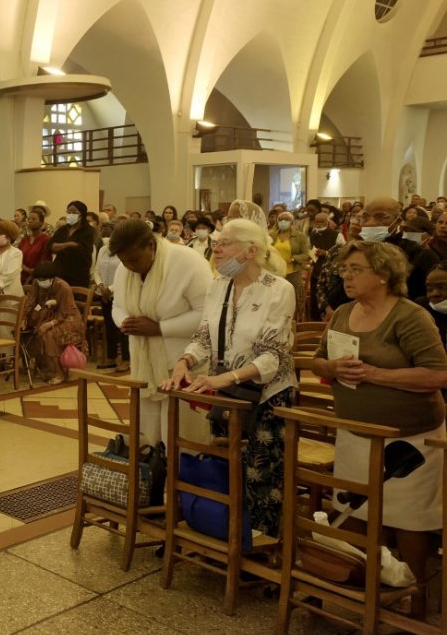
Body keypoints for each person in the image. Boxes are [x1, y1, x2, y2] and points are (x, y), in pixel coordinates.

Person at [311, 241, 447, 594]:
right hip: (355, 434)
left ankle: (414, 596)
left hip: (408, 441)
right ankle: (361, 588)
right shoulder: (343, 312)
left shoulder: (410, 316)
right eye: (346, 269)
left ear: (385, 275)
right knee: (354, 512)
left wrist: (373, 375)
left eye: (357, 269)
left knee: (408, 520)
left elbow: (437, 375)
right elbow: (318, 361)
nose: (347, 276)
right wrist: (332, 367)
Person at [163, 218, 297, 536]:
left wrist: (228, 378)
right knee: (226, 467)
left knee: (261, 476)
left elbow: (274, 355)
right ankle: (229, 536)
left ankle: (263, 549)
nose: (216, 248)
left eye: (225, 243)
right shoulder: (218, 286)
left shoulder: (278, 290)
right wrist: (184, 361)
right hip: (227, 394)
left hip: (267, 397)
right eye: (217, 242)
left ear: (251, 251)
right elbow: (205, 337)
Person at [111, 219, 212, 445]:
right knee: (148, 429)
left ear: (151, 245)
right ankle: (152, 472)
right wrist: (125, 322)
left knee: (180, 432)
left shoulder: (188, 262)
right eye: (123, 261)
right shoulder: (125, 267)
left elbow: (207, 313)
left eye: (134, 259)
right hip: (144, 360)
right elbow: (117, 305)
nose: (129, 266)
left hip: (183, 360)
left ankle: (182, 476)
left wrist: (159, 328)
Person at [24, 261, 86, 385]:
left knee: (48, 335)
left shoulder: (63, 287)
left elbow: (65, 313)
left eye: (44, 279)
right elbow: (30, 302)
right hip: (48, 316)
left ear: (51, 277)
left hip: (68, 319)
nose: (41, 281)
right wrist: (22, 317)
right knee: (35, 330)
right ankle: (47, 368)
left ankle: (59, 372)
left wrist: (49, 325)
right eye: (39, 279)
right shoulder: (37, 283)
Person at [94, 223, 128, 371]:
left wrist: (111, 289)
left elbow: (126, 273)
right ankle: (111, 357)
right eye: (104, 234)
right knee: (109, 327)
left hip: (120, 293)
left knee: (122, 327)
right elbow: (96, 270)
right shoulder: (102, 250)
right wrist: (101, 286)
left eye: (109, 234)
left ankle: (127, 360)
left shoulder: (124, 250)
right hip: (104, 294)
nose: (106, 237)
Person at [45, 200, 96, 289]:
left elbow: (84, 251)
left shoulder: (88, 231)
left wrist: (60, 246)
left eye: (74, 212)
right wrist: (69, 244)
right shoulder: (63, 230)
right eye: (69, 212)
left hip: (78, 275)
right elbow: (51, 246)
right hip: (59, 273)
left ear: (81, 215)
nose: (71, 214)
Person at [271, 211, 310, 319]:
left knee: (294, 297)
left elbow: (305, 254)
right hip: (275, 272)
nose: (283, 222)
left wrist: (293, 259)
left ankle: (294, 320)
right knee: (276, 299)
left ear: (291, 222)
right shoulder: (272, 235)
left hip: (292, 272)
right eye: (281, 220)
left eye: (286, 220)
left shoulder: (300, 236)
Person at [19, 208, 50, 287]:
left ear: (41, 223)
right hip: (21, 276)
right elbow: (18, 258)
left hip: (38, 279)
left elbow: (44, 261)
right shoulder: (24, 240)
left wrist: (31, 276)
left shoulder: (46, 239)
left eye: (33, 219)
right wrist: (27, 269)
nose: (30, 221)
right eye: (28, 219)